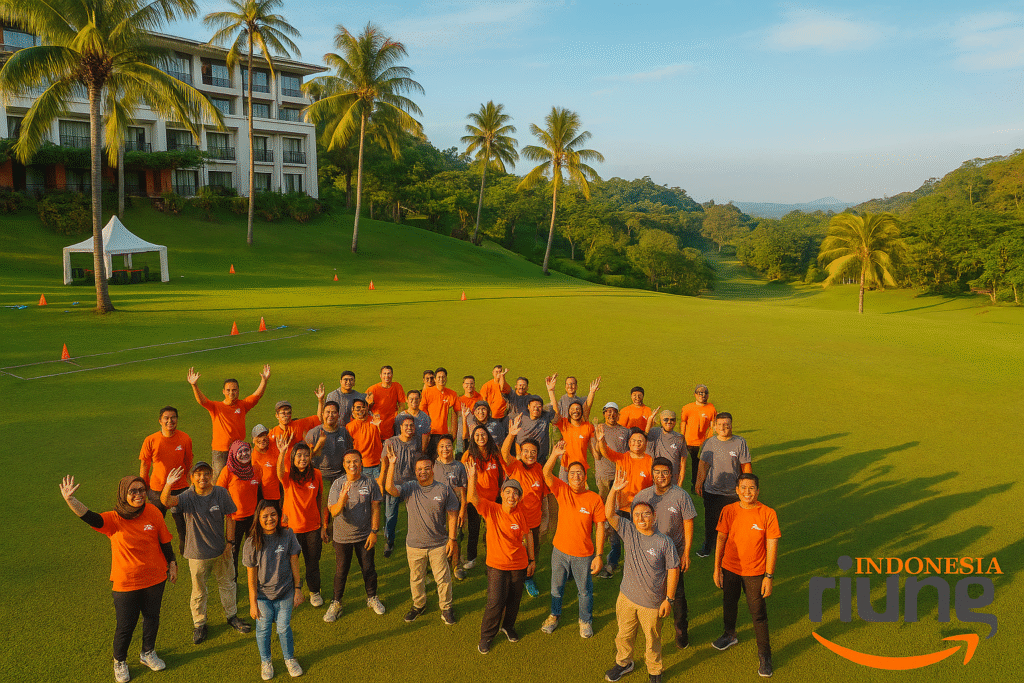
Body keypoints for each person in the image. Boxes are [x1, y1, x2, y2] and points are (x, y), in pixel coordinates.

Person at [60, 474, 177, 683]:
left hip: (155, 578)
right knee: (126, 625)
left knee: (152, 618)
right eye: (133, 491)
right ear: (124, 494)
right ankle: (120, 661)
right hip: (127, 582)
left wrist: (173, 562)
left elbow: (164, 540)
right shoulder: (114, 519)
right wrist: (71, 500)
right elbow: (90, 517)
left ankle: (148, 652)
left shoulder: (153, 511)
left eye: (142, 490)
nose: (139, 494)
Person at [160, 462, 250, 645]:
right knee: (199, 591)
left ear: (212, 475)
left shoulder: (220, 493)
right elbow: (166, 502)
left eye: (206, 473)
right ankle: (200, 624)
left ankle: (232, 616)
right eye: (198, 474)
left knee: (228, 584)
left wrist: (230, 543)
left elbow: (231, 516)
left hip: (221, 551)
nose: (203, 477)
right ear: (192, 477)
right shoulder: (187, 496)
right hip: (197, 554)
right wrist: (168, 484)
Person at [603, 470, 680, 683]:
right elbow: (609, 514)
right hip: (626, 598)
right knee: (623, 635)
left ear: (654, 517)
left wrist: (669, 599)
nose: (641, 518)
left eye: (646, 514)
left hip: (652, 603)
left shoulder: (664, 542)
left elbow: (673, 570)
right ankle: (624, 663)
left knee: (652, 641)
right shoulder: (629, 531)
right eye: (636, 515)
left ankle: (654, 670)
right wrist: (614, 490)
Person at [712, 473, 779, 678]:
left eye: (751, 488)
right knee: (729, 603)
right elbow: (721, 538)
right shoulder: (729, 510)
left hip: (755, 572)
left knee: (758, 613)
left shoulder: (768, 513)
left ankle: (765, 656)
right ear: (737, 490)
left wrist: (769, 576)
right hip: (730, 568)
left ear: (758, 491)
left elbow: (772, 546)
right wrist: (717, 568)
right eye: (743, 488)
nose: (747, 492)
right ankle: (729, 634)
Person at [384, 451, 460, 625]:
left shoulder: (443, 489)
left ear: (432, 469)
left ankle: (446, 608)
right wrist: (392, 464)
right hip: (414, 545)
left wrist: (452, 539)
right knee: (416, 579)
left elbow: (452, 514)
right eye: (419, 469)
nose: (423, 472)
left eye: (426, 468)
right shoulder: (410, 487)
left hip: (438, 544)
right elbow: (390, 489)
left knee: (443, 579)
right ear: (415, 471)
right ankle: (419, 605)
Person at [467, 461, 534, 654]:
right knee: (495, 602)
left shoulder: (521, 513)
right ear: (502, 494)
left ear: (519, 497)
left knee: (514, 599)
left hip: (518, 564)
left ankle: (508, 626)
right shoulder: (491, 509)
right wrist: (472, 478)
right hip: (496, 565)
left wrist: (532, 560)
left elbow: (528, 534)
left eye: (515, 493)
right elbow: (473, 498)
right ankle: (486, 636)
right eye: (508, 492)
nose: (511, 496)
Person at [540, 441, 605, 638]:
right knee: (556, 588)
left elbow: (600, 527)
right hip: (559, 551)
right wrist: (554, 454)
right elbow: (546, 473)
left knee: (584, 591)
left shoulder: (594, 499)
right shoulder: (562, 490)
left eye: (579, 473)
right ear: (567, 477)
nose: (576, 476)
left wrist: (599, 555)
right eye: (572, 473)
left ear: (585, 477)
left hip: (583, 555)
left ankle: (585, 620)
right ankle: (554, 615)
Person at [633, 457, 696, 649]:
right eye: (657, 472)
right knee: (648, 594)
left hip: (674, 556)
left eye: (665, 472)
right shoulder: (643, 496)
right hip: (649, 556)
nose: (661, 476)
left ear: (672, 474)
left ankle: (681, 632)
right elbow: (635, 524)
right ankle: (648, 630)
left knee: (677, 596)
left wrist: (686, 553)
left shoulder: (681, 496)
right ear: (652, 474)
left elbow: (688, 523)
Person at [243, 500, 304, 680]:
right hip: (262, 597)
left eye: (273, 515)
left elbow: (294, 563)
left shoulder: (288, 534)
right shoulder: (251, 542)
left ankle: (289, 659)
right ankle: (266, 662)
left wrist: (298, 589)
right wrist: (253, 604)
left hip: (285, 593)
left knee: (283, 628)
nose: (269, 519)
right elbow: (251, 578)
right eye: (265, 516)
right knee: (263, 630)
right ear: (258, 518)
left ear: (279, 515)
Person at [324, 449, 384, 622]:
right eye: (349, 462)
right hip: (342, 538)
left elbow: (375, 508)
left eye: (356, 461)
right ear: (344, 465)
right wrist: (342, 499)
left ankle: (372, 597)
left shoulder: (370, 482)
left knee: (368, 568)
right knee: (341, 571)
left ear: (361, 463)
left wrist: (374, 532)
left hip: (365, 536)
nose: (353, 465)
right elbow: (334, 512)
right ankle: (336, 603)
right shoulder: (337, 484)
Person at [187, 364, 270, 479]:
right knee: (219, 479)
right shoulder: (216, 407)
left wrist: (264, 381)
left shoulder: (242, 405)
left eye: (234, 390)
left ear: (238, 391)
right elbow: (202, 401)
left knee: (238, 479)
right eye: (228, 390)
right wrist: (194, 385)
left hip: (238, 450)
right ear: (223, 391)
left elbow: (257, 396)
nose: (231, 393)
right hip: (220, 451)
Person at [595, 425, 653, 579]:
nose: (636, 443)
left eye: (640, 441)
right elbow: (606, 452)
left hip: (639, 511)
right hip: (620, 507)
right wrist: (601, 440)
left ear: (645, 444)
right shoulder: (622, 457)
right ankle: (611, 564)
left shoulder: (649, 461)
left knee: (636, 541)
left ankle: (636, 568)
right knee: (615, 539)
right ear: (629, 443)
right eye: (633, 440)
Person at [274, 437, 325, 608]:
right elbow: (279, 473)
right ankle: (291, 592)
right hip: (292, 529)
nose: (303, 459)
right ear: (293, 458)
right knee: (289, 563)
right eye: (299, 455)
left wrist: (323, 525)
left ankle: (314, 592)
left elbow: (320, 500)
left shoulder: (317, 474)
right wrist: (282, 452)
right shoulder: (288, 476)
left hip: (313, 527)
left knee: (312, 563)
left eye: (306, 455)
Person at [500, 417, 548, 597]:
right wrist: (511, 435)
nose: (530, 454)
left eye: (533, 452)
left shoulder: (540, 470)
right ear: (520, 452)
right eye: (526, 451)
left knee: (532, 552)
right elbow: (504, 453)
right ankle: (508, 578)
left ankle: (529, 578)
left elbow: (544, 496)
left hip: (533, 522)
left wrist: (547, 519)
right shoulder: (515, 466)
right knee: (513, 552)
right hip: (515, 521)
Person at [695, 413, 752, 558]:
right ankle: (708, 545)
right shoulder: (709, 443)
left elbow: (745, 465)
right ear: (714, 426)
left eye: (726, 424)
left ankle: (731, 548)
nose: (723, 427)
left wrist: (747, 486)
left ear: (731, 425)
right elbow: (703, 465)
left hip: (732, 492)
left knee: (733, 522)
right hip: (712, 490)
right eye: (719, 424)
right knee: (711, 520)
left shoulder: (740, 442)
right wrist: (699, 482)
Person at [139, 405, 192, 554]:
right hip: (157, 489)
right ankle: (155, 551)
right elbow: (144, 464)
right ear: (160, 421)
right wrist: (144, 487)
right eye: (166, 418)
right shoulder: (151, 440)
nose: (170, 421)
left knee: (183, 524)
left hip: (180, 489)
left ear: (177, 419)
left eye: (173, 417)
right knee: (155, 524)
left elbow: (188, 462)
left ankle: (186, 550)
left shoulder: (185, 438)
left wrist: (190, 484)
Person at [461, 425, 505, 571]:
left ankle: (492, 557)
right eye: (477, 435)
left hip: (493, 499)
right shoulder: (468, 455)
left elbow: (502, 474)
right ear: (473, 438)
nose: (481, 438)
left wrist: (500, 492)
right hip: (475, 500)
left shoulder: (495, 453)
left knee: (492, 531)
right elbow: (463, 478)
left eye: (483, 434)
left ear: (488, 436)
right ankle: (471, 558)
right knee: (473, 530)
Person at [216, 440, 261, 580]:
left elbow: (260, 492)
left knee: (255, 552)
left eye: (246, 450)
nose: (244, 454)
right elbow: (218, 494)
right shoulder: (227, 471)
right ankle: (232, 582)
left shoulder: (255, 469)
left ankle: (257, 581)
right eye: (240, 451)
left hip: (253, 519)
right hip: (234, 520)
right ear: (233, 454)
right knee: (233, 553)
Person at [380, 415, 423, 558]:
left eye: (411, 425)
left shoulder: (416, 441)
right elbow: (384, 462)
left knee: (415, 513)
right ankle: (389, 541)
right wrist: (382, 481)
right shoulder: (391, 442)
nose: (409, 428)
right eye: (406, 425)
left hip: (412, 484)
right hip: (394, 483)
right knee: (390, 515)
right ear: (400, 427)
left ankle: (417, 539)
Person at [305, 401, 351, 537]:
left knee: (341, 504)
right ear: (323, 414)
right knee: (323, 505)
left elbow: (349, 452)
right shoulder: (314, 433)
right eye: (328, 412)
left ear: (338, 415)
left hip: (340, 475)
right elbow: (305, 458)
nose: (330, 415)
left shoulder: (343, 432)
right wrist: (319, 445)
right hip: (321, 475)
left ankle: (339, 530)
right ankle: (323, 529)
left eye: (334, 412)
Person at [433, 435, 468, 580]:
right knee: (439, 537)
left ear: (452, 448)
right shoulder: (433, 466)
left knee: (455, 537)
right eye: (442, 446)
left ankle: (456, 564)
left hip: (454, 509)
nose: (445, 449)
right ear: (437, 449)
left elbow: (463, 491)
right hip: (437, 509)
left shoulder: (459, 466)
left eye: (448, 445)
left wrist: (462, 510)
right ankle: (441, 563)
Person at [513, 374, 560, 463]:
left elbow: (557, 417)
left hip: (541, 459)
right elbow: (518, 441)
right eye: (534, 406)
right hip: (525, 459)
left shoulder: (545, 416)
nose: (536, 409)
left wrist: (551, 391)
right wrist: (518, 456)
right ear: (528, 407)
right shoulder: (522, 419)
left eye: (539, 406)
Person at [679, 385, 716, 491]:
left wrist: (709, 439)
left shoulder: (711, 408)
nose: (702, 395)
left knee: (703, 464)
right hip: (690, 441)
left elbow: (712, 425)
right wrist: (682, 437)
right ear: (695, 394)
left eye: (705, 393)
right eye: (700, 393)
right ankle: (694, 485)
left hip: (704, 442)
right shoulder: (687, 408)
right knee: (693, 464)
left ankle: (701, 484)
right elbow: (683, 422)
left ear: (708, 395)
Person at [268, 390, 325, 456]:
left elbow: (318, 419)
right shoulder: (273, 433)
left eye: (288, 413)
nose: (286, 416)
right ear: (277, 415)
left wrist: (320, 401)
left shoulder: (299, 424)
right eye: (283, 413)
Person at [553, 398, 596, 481]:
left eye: (578, 409)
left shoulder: (587, 427)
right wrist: (551, 392)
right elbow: (556, 413)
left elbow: (587, 408)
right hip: (565, 466)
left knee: (578, 488)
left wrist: (592, 392)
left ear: (582, 412)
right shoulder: (564, 424)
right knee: (564, 488)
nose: (575, 411)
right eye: (572, 409)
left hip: (581, 467)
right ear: (569, 412)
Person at [645, 409, 687, 487]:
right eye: (666, 419)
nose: (669, 422)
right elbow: (645, 436)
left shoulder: (680, 438)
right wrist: (650, 420)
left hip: (673, 479)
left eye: (672, 420)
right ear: (661, 421)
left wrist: (680, 483)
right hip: (657, 478)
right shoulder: (655, 432)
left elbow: (683, 462)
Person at [421, 366, 458, 453]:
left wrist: (453, 433)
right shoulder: (427, 392)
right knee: (428, 456)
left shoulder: (452, 394)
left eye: (443, 377)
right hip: (430, 433)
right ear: (435, 379)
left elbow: (456, 413)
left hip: (444, 433)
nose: (441, 379)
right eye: (439, 377)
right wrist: (426, 431)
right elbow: (422, 412)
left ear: (446, 378)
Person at [346, 399, 383, 481]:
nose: (361, 410)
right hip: (360, 465)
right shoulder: (350, 426)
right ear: (352, 409)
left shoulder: (374, 421)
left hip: (376, 464)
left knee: (378, 487)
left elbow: (381, 434)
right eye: (358, 408)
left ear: (367, 408)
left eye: (363, 407)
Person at [365, 365, 406, 439]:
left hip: (392, 423)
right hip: (378, 422)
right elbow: (365, 407)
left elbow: (402, 403)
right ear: (380, 375)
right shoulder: (373, 389)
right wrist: (370, 404)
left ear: (392, 375)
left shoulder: (397, 386)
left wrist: (402, 417)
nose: (386, 376)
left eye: (389, 373)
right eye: (384, 373)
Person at [250, 425, 281, 511]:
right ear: (253, 440)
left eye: (264, 435)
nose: (262, 438)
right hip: (268, 496)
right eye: (259, 436)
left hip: (282, 489)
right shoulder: (254, 456)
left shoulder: (273, 443)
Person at [455, 375, 483, 449]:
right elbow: (457, 416)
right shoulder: (459, 400)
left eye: (471, 384)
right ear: (463, 385)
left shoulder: (479, 398)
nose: (469, 386)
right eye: (467, 384)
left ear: (474, 384)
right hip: (462, 428)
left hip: (475, 429)